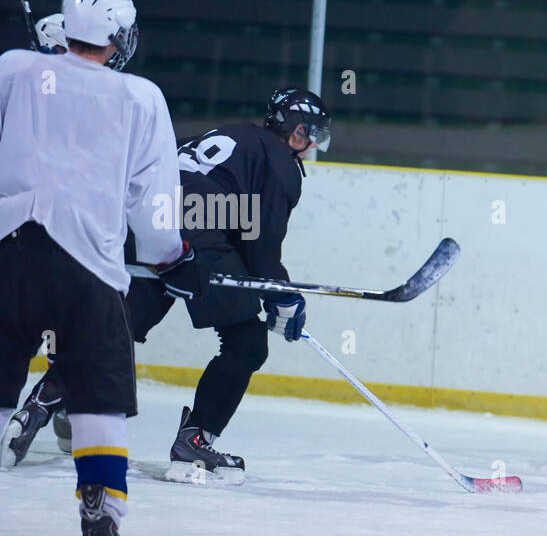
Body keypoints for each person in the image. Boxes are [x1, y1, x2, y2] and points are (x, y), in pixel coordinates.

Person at [4, 87, 332, 483]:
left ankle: (43, 399)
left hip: (142, 222)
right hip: (200, 226)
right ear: (291, 131)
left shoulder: (232, 135)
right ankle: (194, 442)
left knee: (117, 330)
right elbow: (259, 247)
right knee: (246, 343)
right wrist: (282, 296)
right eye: (307, 133)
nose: (310, 143)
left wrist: (271, 289)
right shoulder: (279, 163)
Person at [0, 0, 208, 536]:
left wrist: (38, 66)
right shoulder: (141, 97)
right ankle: (100, 520)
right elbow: (155, 204)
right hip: (88, 268)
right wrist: (171, 256)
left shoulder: (14, 70)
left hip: (10, 252)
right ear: (119, 38)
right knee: (98, 397)